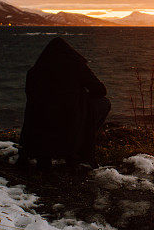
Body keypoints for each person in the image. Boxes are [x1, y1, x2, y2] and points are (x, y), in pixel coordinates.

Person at [20, 37, 110, 168]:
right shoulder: (76, 66)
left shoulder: (34, 71)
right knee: (104, 103)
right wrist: (82, 97)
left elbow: (31, 98)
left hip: (39, 128)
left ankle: (47, 155)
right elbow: (100, 91)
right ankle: (81, 143)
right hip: (69, 124)